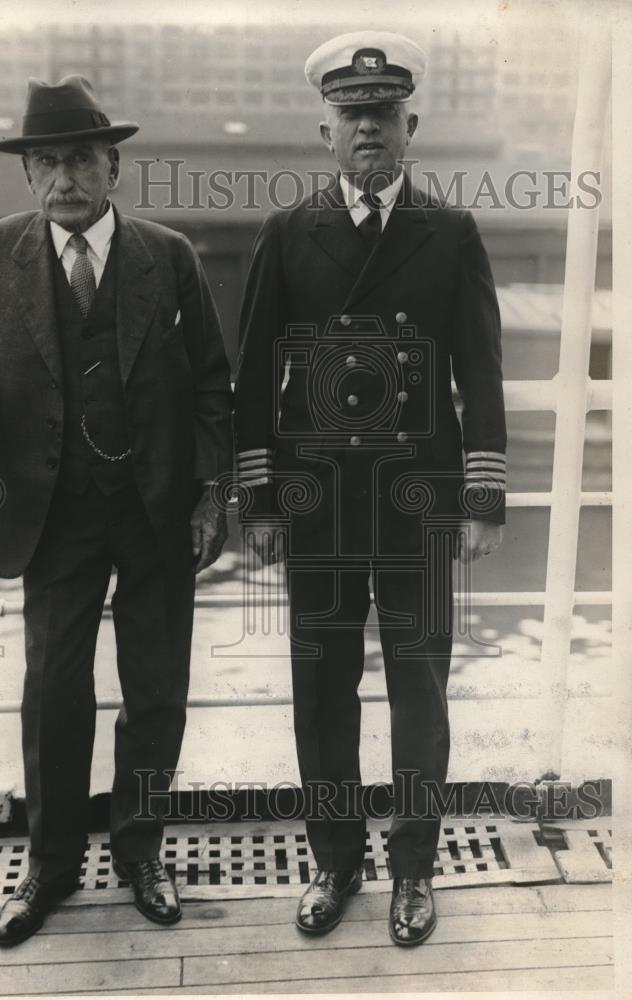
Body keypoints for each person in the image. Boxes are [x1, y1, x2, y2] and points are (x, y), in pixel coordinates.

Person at [0, 75, 233, 946]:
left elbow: (212, 383)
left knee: (156, 691)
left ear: (114, 165)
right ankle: (49, 868)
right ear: (27, 175)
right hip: (52, 512)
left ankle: (142, 852)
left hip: (157, 507)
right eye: (46, 162)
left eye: (82, 159)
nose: (65, 179)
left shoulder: (168, 256)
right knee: (54, 692)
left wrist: (212, 492)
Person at [233, 31, 506, 946]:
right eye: (351, 116)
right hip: (319, 500)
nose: (368, 131)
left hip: (418, 497)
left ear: (410, 125)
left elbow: (483, 372)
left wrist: (482, 495)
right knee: (322, 687)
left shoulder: (452, 233)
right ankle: (336, 859)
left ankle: (415, 868)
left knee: (419, 690)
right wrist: (262, 496)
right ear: (325, 132)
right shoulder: (286, 232)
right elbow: (254, 376)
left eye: (383, 115)